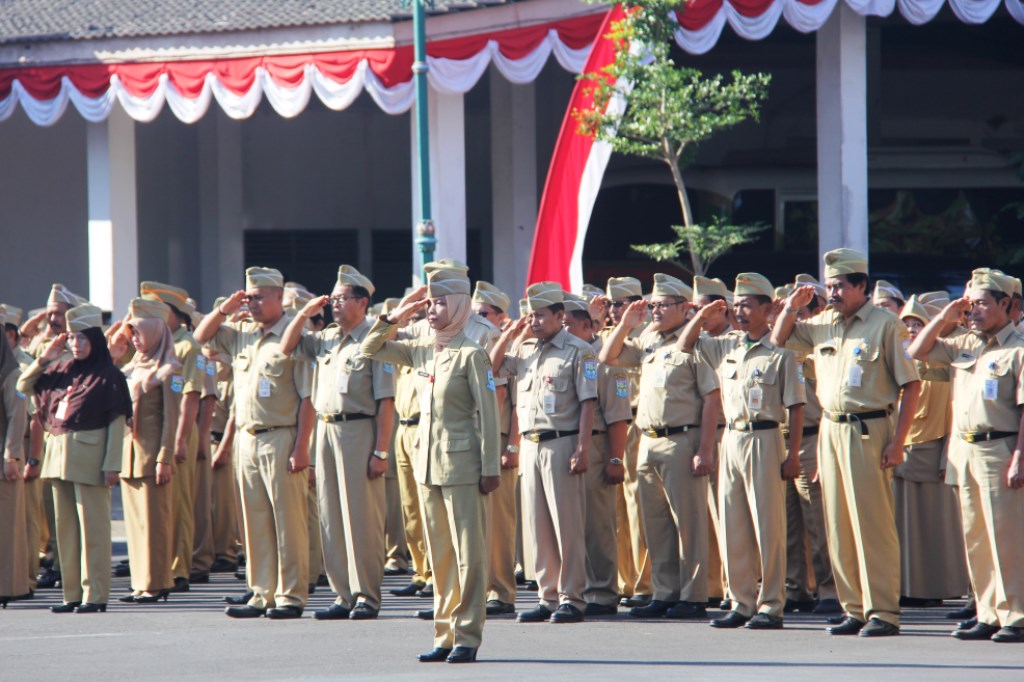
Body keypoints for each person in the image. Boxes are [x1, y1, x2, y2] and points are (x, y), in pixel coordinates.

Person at [772, 248, 921, 637]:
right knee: (837, 523)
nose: (833, 292)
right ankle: (854, 607)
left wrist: (899, 441)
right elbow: (777, 343)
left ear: (861, 286)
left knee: (871, 524)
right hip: (831, 431)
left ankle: (883, 611)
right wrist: (791, 306)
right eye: (830, 285)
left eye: (840, 285)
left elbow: (911, 385)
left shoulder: (887, 325)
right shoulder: (821, 324)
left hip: (869, 430)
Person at [361, 264, 500, 663]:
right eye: (430, 303)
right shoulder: (424, 348)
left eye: (441, 303)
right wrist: (394, 317)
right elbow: (370, 350)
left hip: (463, 464)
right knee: (440, 554)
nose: (432, 309)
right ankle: (444, 634)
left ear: (458, 305)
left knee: (468, 553)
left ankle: (468, 635)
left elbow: (488, 415)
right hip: (426, 463)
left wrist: (490, 468)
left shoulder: (472, 354)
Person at [680, 273, 805, 629]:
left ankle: (771, 604)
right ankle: (741, 601)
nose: (740, 311)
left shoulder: (781, 355)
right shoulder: (727, 347)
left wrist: (792, 455)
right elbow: (685, 346)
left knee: (768, 526)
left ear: (768, 309)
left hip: (765, 438)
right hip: (731, 439)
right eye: (737, 305)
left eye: (748, 304)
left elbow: (796, 407)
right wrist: (703, 317)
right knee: (733, 523)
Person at [909, 271, 1024, 643]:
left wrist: (1020, 456)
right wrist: (945, 316)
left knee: (1005, 537)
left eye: (982, 303)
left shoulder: (1019, 348)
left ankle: (1016, 615)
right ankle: (988, 611)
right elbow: (917, 352)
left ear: (1006, 305)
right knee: (975, 536)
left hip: (1000, 448)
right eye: (970, 303)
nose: (973, 311)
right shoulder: (964, 343)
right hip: (966, 449)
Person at [599, 274, 721, 620]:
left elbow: (712, 399)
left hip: (682, 439)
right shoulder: (649, 340)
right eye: (653, 304)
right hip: (648, 441)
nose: (655, 310)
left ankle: (694, 595)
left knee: (689, 522)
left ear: (685, 309)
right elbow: (608, 358)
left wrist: (706, 449)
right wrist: (626, 323)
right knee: (656, 522)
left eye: (663, 305)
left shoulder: (696, 344)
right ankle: (665, 591)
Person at [194, 267, 313, 620]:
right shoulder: (242, 334)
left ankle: (290, 595)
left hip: (281, 436)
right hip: (247, 439)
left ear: (279, 297)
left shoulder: (294, 336)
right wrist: (225, 310)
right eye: (250, 297)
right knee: (254, 521)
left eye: (261, 297)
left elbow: (308, 398)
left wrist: (302, 447)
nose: (254, 303)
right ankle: (261, 593)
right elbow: (203, 336)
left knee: (287, 521)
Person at [280, 265, 395, 621]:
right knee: (330, 515)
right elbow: (287, 348)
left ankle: (366, 596)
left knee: (361, 517)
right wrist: (303, 313)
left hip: (359, 431)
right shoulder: (327, 338)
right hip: (327, 432)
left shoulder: (374, 340)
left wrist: (381, 451)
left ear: (362, 303)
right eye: (333, 299)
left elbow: (386, 401)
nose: (335, 305)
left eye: (342, 299)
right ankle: (342, 594)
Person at [491, 282, 598, 624]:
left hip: (562, 443)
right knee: (537, 526)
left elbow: (588, 403)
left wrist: (583, 447)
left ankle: (572, 597)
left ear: (559, 316)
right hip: (531, 445)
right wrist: (509, 335)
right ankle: (547, 595)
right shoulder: (524, 351)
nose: (534, 322)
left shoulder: (579, 351)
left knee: (566, 524)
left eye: (540, 315)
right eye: (530, 316)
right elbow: (491, 368)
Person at [17, 303, 131, 613]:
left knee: (93, 531)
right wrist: (45, 357)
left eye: (82, 338)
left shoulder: (108, 375)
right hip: (58, 460)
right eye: (70, 338)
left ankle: (94, 594)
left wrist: (112, 465)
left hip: (91, 462)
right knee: (65, 533)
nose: (75, 345)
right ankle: (72, 594)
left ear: (95, 339)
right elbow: (23, 384)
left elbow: (116, 423)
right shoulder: (60, 369)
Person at [893, 295, 969, 606]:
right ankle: (907, 587)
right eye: (907, 323)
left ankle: (935, 588)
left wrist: (945, 454)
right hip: (902, 451)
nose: (911, 329)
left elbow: (953, 411)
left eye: (917, 324)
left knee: (933, 525)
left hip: (932, 449)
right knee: (904, 525)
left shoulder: (938, 363)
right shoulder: (898, 361)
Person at [562, 293, 630, 617]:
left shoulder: (606, 364)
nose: (563, 331)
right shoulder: (564, 357)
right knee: (573, 524)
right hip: (569, 446)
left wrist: (616, 460)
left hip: (600, 446)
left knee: (598, 525)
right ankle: (579, 588)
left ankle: (603, 592)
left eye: (568, 325)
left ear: (588, 326)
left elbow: (618, 418)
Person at [116, 298, 181, 604]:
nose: (135, 339)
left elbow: (172, 417)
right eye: (133, 334)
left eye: (140, 333)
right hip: (130, 454)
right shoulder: (133, 366)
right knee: (136, 524)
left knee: (155, 523)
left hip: (153, 455)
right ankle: (140, 583)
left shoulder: (170, 370)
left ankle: (157, 583)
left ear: (156, 333)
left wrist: (165, 457)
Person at [139, 282, 203, 594]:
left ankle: (180, 569)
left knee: (179, 502)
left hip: (179, 431)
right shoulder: (154, 345)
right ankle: (161, 564)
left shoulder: (187, 346)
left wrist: (180, 439)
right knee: (163, 504)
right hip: (158, 433)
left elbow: (190, 396)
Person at [782, 275, 840, 615]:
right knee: (788, 522)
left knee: (817, 519)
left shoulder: (824, 343)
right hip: (781, 437)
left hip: (813, 437)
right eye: (798, 305)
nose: (805, 313)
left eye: (811, 305)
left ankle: (829, 588)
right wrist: (791, 310)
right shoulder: (788, 341)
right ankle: (795, 587)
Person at [0, 307, 30, 608]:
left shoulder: (13, 374)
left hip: (3, 461)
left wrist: (11, 455)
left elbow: (17, 418)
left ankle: (9, 585)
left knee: (6, 529)